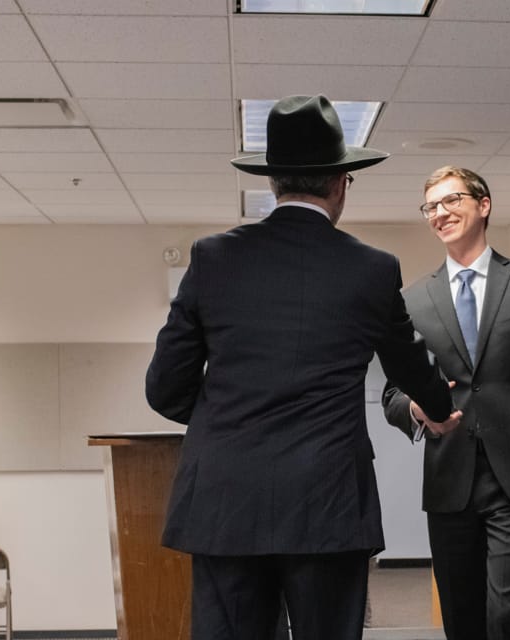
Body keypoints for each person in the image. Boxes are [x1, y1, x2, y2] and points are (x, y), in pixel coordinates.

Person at [146, 94, 455, 640]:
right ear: (341, 184)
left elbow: (164, 388)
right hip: (329, 502)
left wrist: (225, 416)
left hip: (225, 501)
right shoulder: (372, 268)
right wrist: (439, 408)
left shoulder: (212, 257)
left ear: (272, 183)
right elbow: (409, 366)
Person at [382, 166, 510, 640]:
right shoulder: (413, 300)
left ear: (483, 204)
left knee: (508, 614)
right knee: (461, 616)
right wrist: (417, 410)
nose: (440, 214)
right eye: (431, 206)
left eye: (451, 201)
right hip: (450, 480)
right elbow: (393, 393)